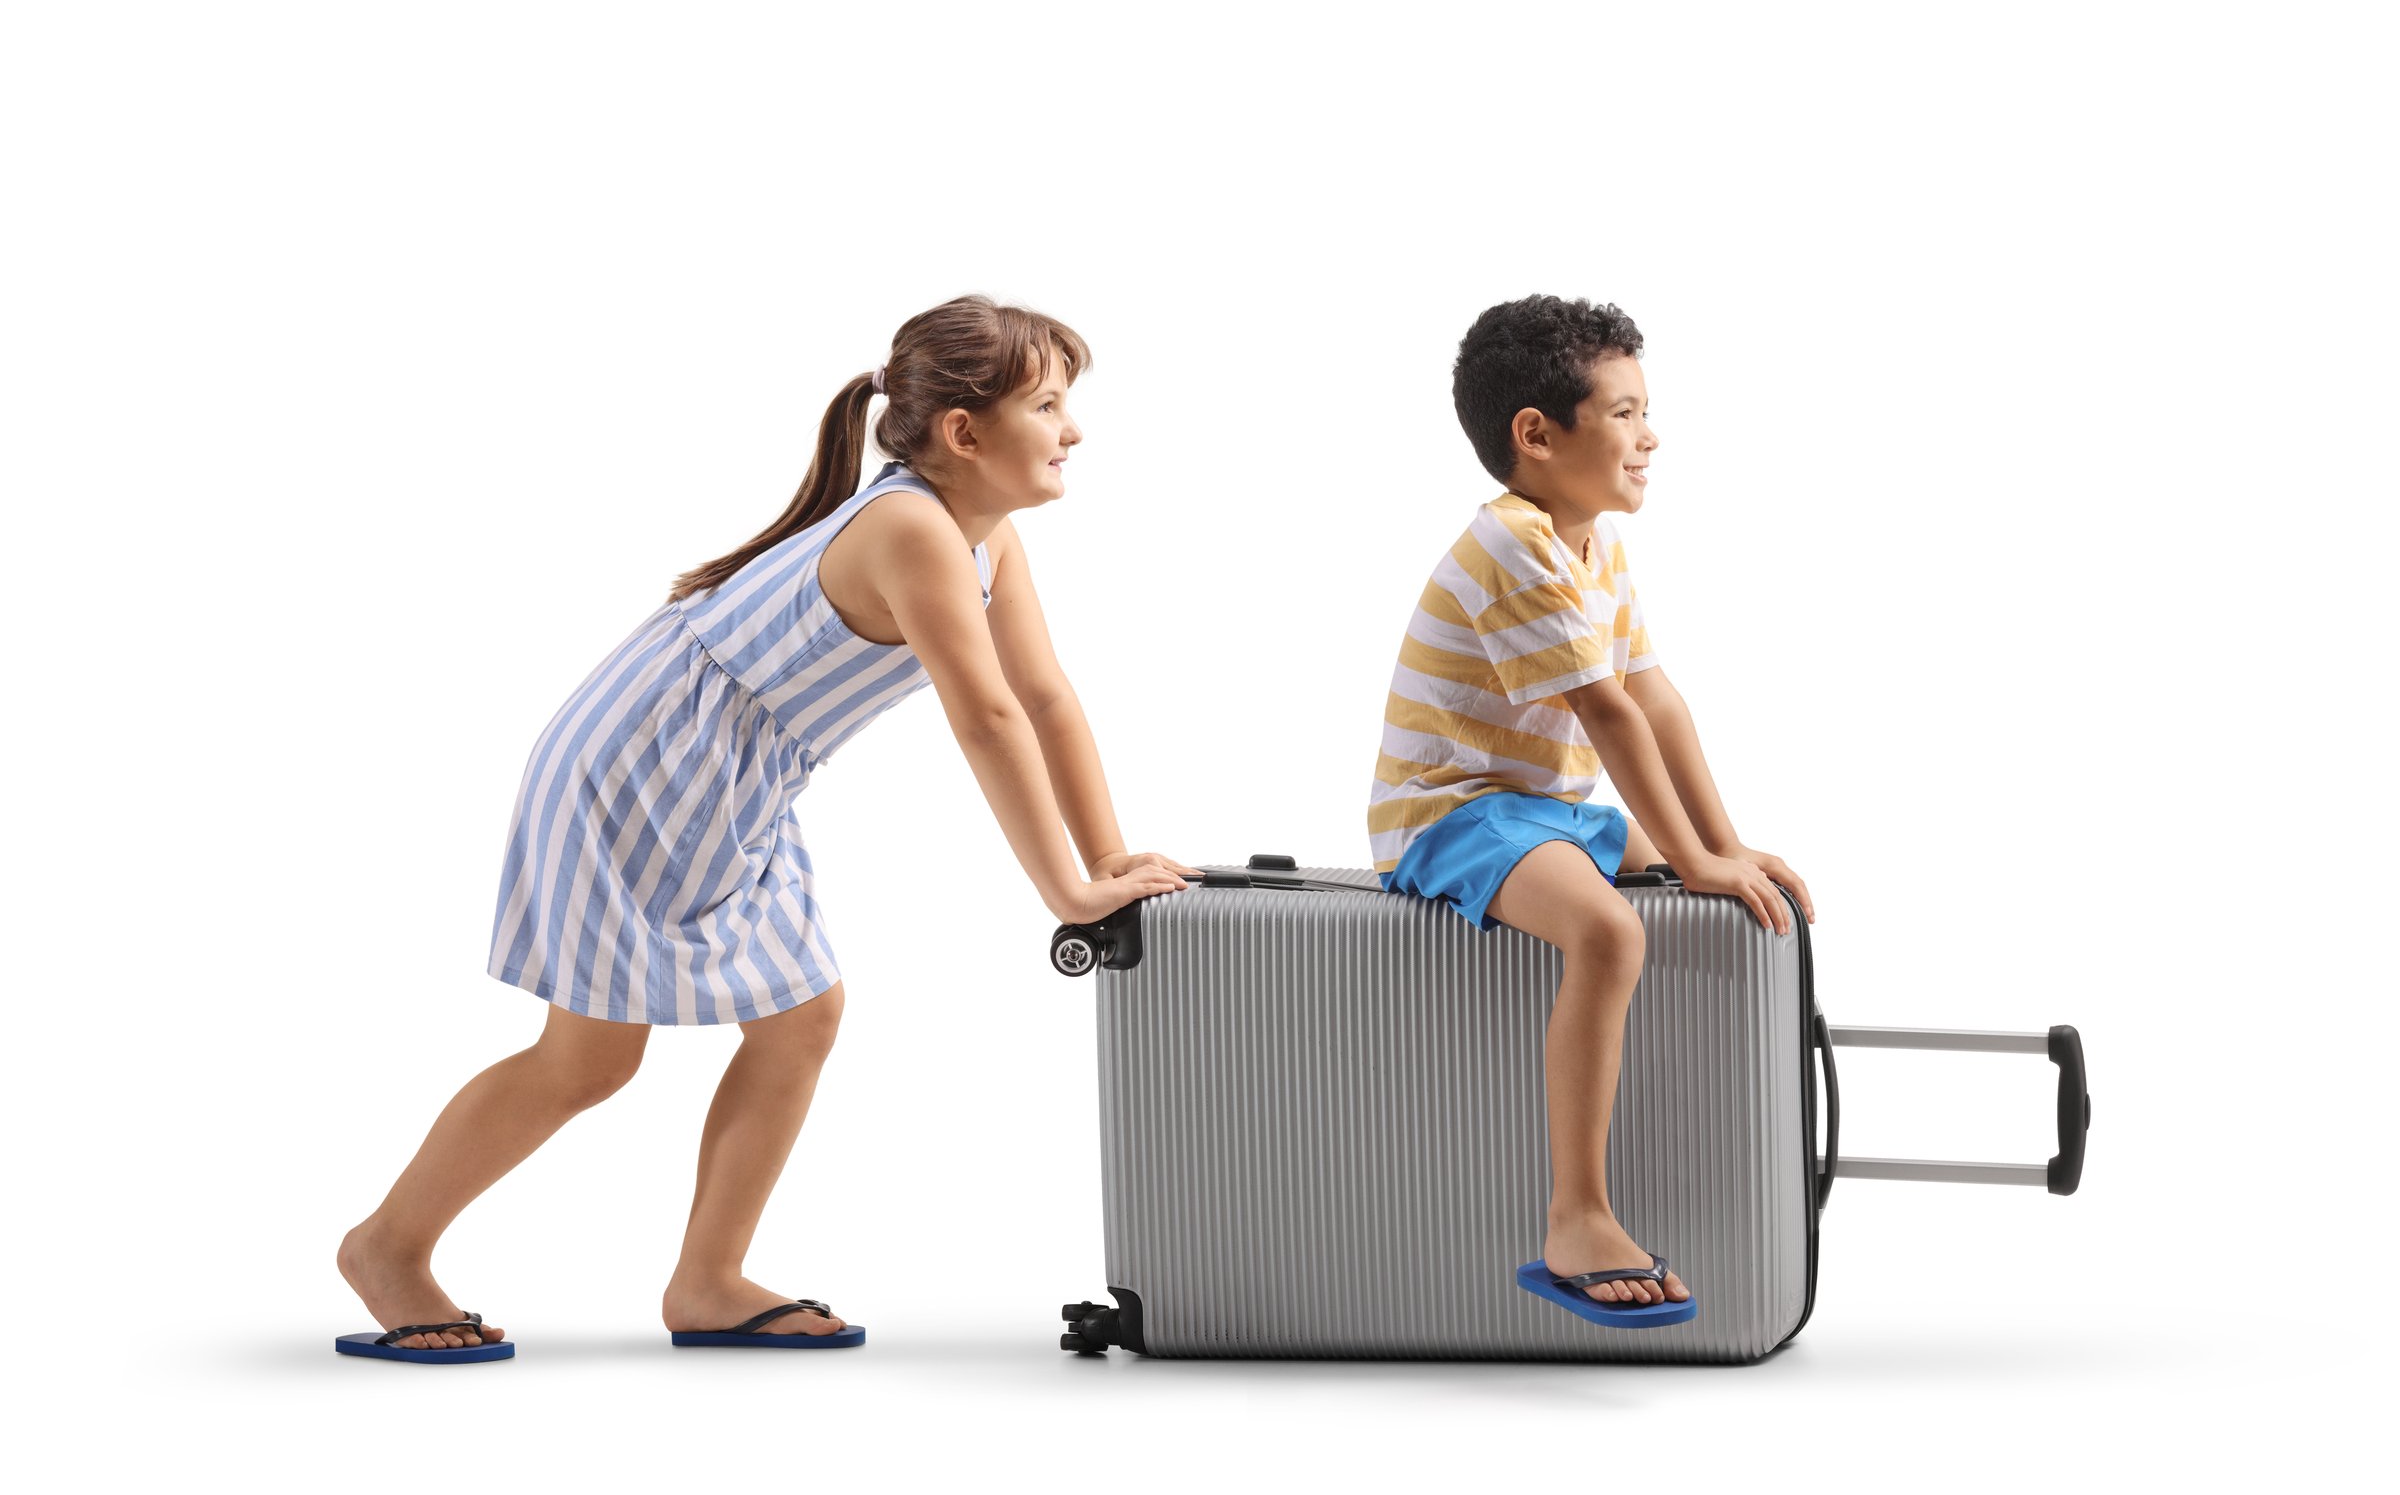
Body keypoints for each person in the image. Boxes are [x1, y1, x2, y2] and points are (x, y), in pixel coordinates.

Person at [334, 294, 1196, 1361]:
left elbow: (1047, 695)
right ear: (965, 435)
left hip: (737, 773)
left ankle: (707, 1281)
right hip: (644, 766)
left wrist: (1106, 852)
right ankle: (388, 1247)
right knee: (588, 1060)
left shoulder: (985, 536)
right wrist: (1066, 891)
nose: (1075, 430)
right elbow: (985, 715)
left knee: (799, 1016)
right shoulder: (913, 528)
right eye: (1052, 405)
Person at [1366, 294, 1815, 1329]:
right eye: (1623, 413)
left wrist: (1719, 844)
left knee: (1722, 878)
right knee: (1612, 931)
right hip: (1452, 812)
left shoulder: (1592, 541)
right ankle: (1576, 1212)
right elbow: (1606, 710)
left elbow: (1656, 694)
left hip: (1545, 809)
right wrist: (1696, 859)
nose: (1650, 435)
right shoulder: (1511, 543)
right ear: (1538, 434)